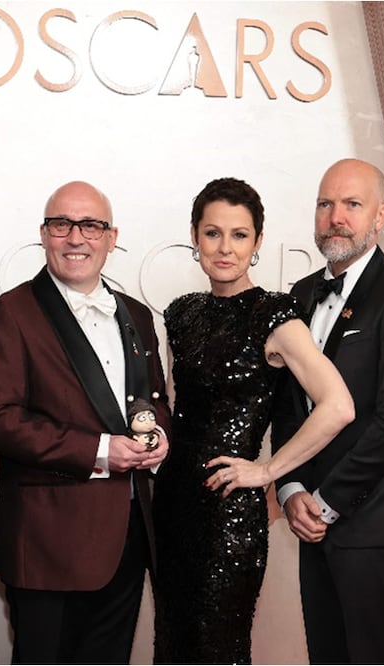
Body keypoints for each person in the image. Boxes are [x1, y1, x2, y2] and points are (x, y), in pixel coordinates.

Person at [0, 181, 172, 664]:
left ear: (111, 236)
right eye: (62, 224)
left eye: (91, 225)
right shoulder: (8, 313)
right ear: (44, 234)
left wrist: (158, 433)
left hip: (127, 538)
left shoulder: (137, 315)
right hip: (47, 546)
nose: (76, 237)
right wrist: (100, 450)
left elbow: (153, 400)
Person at [152, 177, 354, 664]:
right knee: (174, 644)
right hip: (173, 502)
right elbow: (179, 408)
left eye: (239, 235)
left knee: (219, 647)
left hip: (229, 513)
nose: (225, 248)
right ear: (195, 237)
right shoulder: (182, 313)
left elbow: (338, 405)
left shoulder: (275, 315)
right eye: (213, 233)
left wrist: (265, 471)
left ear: (258, 242)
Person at [271, 158, 384, 664]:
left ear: (380, 216)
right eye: (325, 204)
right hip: (308, 521)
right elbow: (286, 408)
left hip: (371, 530)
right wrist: (291, 488)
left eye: (351, 204)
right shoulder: (298, 295)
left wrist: (327, 501)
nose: (335, 216)